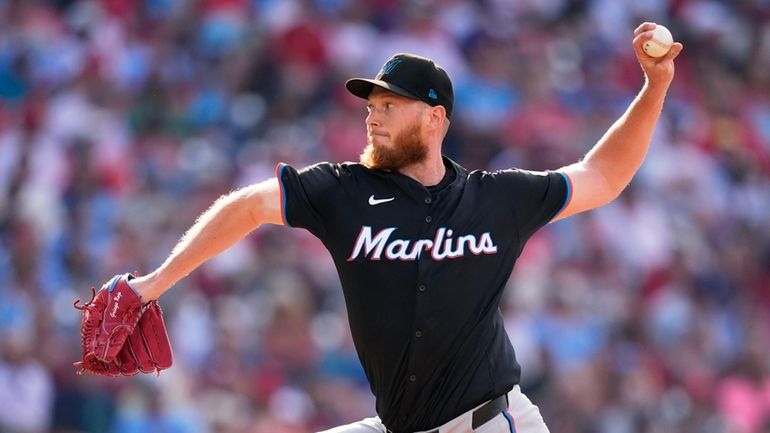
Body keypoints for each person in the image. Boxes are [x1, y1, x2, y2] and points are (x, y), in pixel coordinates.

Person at [122, 23, 683, 433]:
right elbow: (242, 207)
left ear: (435, 118)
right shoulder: (342, 193)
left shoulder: (495, 199)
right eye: (372, 104)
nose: (373, 114)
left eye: (391, 104)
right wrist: (152, 284)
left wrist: (654, 88)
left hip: (489, 426)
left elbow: (603, 176)